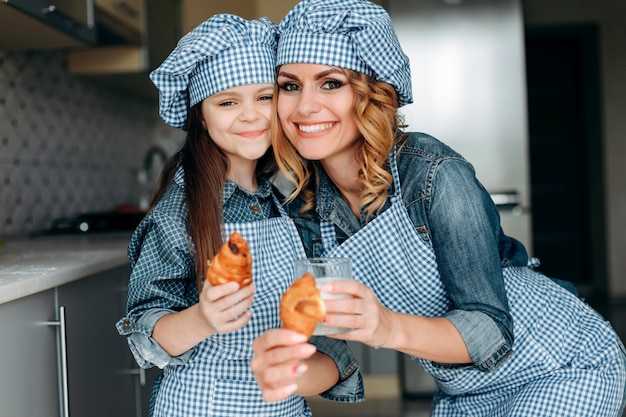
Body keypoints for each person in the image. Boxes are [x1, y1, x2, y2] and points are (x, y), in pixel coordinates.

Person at [250, 0, 626, 415]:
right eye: (289, 85)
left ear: (370, 92)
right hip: (464, 392)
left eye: (331, 83)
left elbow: (488, 331)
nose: (305, 107)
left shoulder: (432, 174)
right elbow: (331, 352)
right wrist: (286, 370)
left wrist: (384, 327)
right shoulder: (303, 204)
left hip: (562, 366)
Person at [116, 13, 363, 417]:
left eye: (264, 97)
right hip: (200, 406)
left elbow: (322, 346)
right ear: (201, 114)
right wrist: (203, 316)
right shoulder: (180, 211)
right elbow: (147, 329)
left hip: (282, 407)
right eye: (227, 101)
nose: (250, 116)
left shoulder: (291, 201)